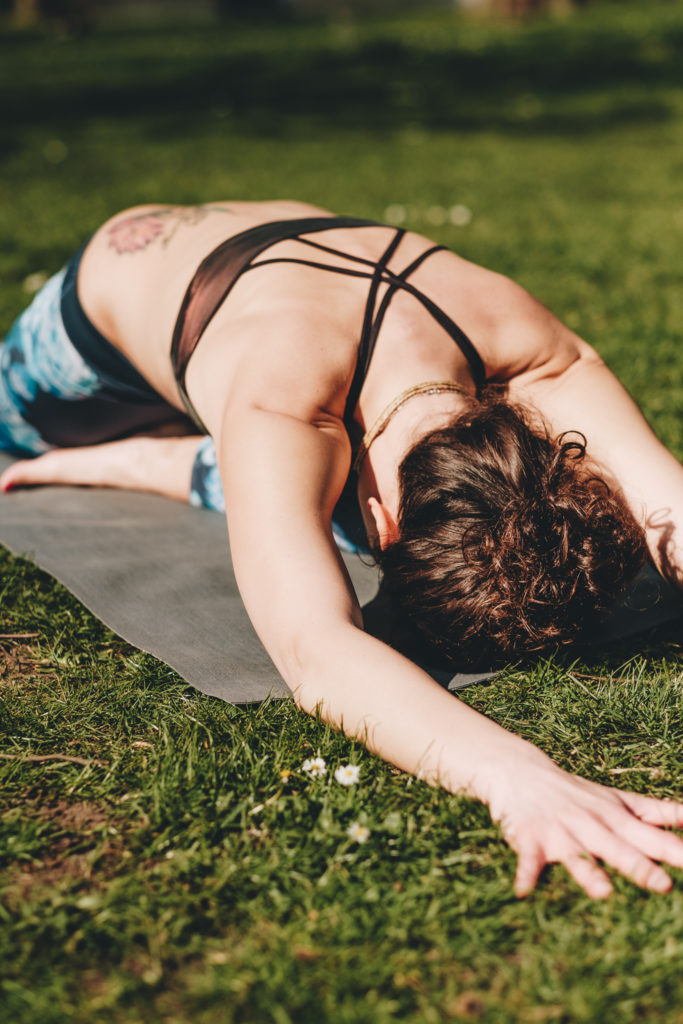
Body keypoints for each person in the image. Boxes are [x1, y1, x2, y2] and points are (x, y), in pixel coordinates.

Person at [1, 200, 682, 899]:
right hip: (95, 327)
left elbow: (670, 509)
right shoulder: (283, 399)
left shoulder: (524, 342)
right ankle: (154, 459)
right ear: (385, 525)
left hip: (279, 336)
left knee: (296, 484)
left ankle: (198, 456)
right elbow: (315, 650)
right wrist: (518, 777)